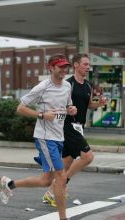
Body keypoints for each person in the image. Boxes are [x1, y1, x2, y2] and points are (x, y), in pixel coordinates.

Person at [0, 53, 77, 220]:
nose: (64, 69)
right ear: (51, 67)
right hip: (44, 137)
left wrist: (72, 109)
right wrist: (42, 115)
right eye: (61, 66)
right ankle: (63, 218)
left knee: (46, 181)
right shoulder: (42, 87)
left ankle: (9, 184)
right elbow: (20, 108)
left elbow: (68, 105)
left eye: (66, 67)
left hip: (58, 137)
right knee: (61, 176)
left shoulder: (67, 86)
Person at [40, 53, 107, 207]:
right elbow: (57, 104)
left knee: (68, 161)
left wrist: (100, 104)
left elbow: (89, 104)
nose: (88, 67)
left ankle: (50, 193)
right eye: (85, 64)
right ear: (76, 65)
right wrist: (67, 109)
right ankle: (61, 185)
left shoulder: (88, 85)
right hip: (67, 126)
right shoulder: (68, 84)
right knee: (88, 157)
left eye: (89, 65)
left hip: (79, 127)